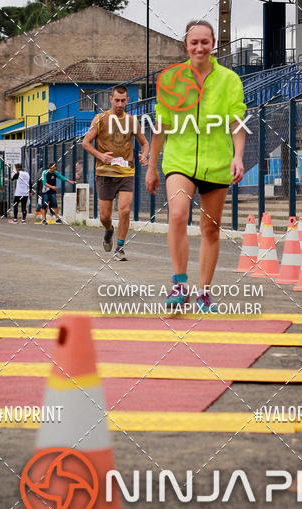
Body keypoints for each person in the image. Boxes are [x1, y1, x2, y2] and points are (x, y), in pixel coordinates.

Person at [146, 20, 247, 312]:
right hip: (180, 160)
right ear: (186, 45)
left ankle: (204, 293)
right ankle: (179, 286)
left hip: (216, 163)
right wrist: (152, 166)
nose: (199, 47)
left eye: (205, 42)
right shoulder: (171, 80)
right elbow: (161, 125)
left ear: (213, 43)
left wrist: (237, 155)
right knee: (177, 214)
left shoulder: (229, 80)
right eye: (194, 42)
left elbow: (237, 121)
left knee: (210, 229)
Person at [82, 85, 149, 261]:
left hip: (126, 172)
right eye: (117, 100)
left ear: (128, 100)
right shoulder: (100, 119)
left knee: (125, 210)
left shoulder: (132, 121)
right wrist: (100, 155)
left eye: (123, 100)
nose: (120, 104)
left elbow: (145, 142)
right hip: (104, 173)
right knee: (105, 216)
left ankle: (119, 247)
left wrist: (144, 155)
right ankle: (109, 230)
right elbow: (86, 142)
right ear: (111, 99)